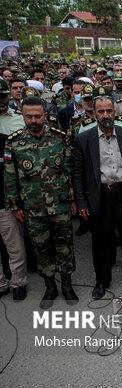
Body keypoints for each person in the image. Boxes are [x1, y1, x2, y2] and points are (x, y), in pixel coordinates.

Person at [4, 97, 79, 309]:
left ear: (45, 115)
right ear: (23, 116)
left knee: (65, 246)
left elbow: (69, 170)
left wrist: (73, 199)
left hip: (60, 204)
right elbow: (10, 176)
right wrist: (15, 206)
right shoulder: (14, 142)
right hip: (32, 207)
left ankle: (66, 286)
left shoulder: (59, 138)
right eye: (29, 117)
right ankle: (50, 287)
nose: (34, 120)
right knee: (41, 248)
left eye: (38, 116)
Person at [72, 94, 122, 299]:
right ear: (94, 113)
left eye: (109, 111)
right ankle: (102, 281)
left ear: (115, 111)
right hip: (100, 197)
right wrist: (81, 203)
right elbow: (77, 175)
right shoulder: (83, 140)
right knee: (101, 242)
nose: (105, 115)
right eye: (101, 111)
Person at [0, 79, 28, 301]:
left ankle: (18, 282)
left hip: (7, 196)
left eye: (3, 95)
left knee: (15, 245)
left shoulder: (19, 122)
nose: (1, 100)